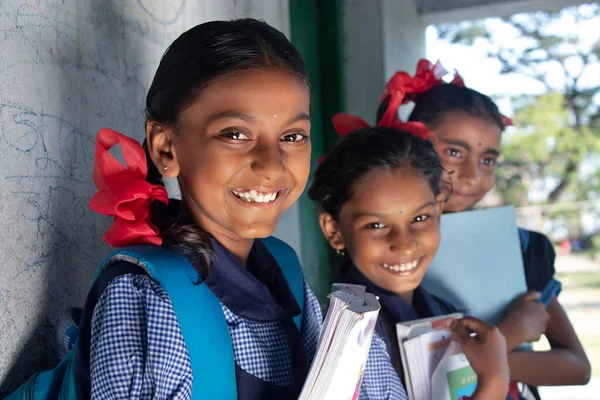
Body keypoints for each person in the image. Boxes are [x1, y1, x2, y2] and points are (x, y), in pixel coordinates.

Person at [75, 18, 322, 399]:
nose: (273, 165)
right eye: (235, 134)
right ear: (166, 149)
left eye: (292, 136)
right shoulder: (148, 296)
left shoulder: (286, 270)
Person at [376, 59, 591, 398]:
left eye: (488, 160)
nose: (473, 175)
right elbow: (393, 369)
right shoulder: (386, 246)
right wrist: (507, 337)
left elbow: (577, 368)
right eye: (453, 152)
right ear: (412, 145)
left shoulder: (519, 249)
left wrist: (491, 358)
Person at [309, 125, 510, 400]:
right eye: (376, 224)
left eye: (419, 219)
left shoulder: (449, 313)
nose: (404, 244)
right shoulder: (346, 339)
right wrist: (493, 386)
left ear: (438, 210)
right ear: (334, 230)